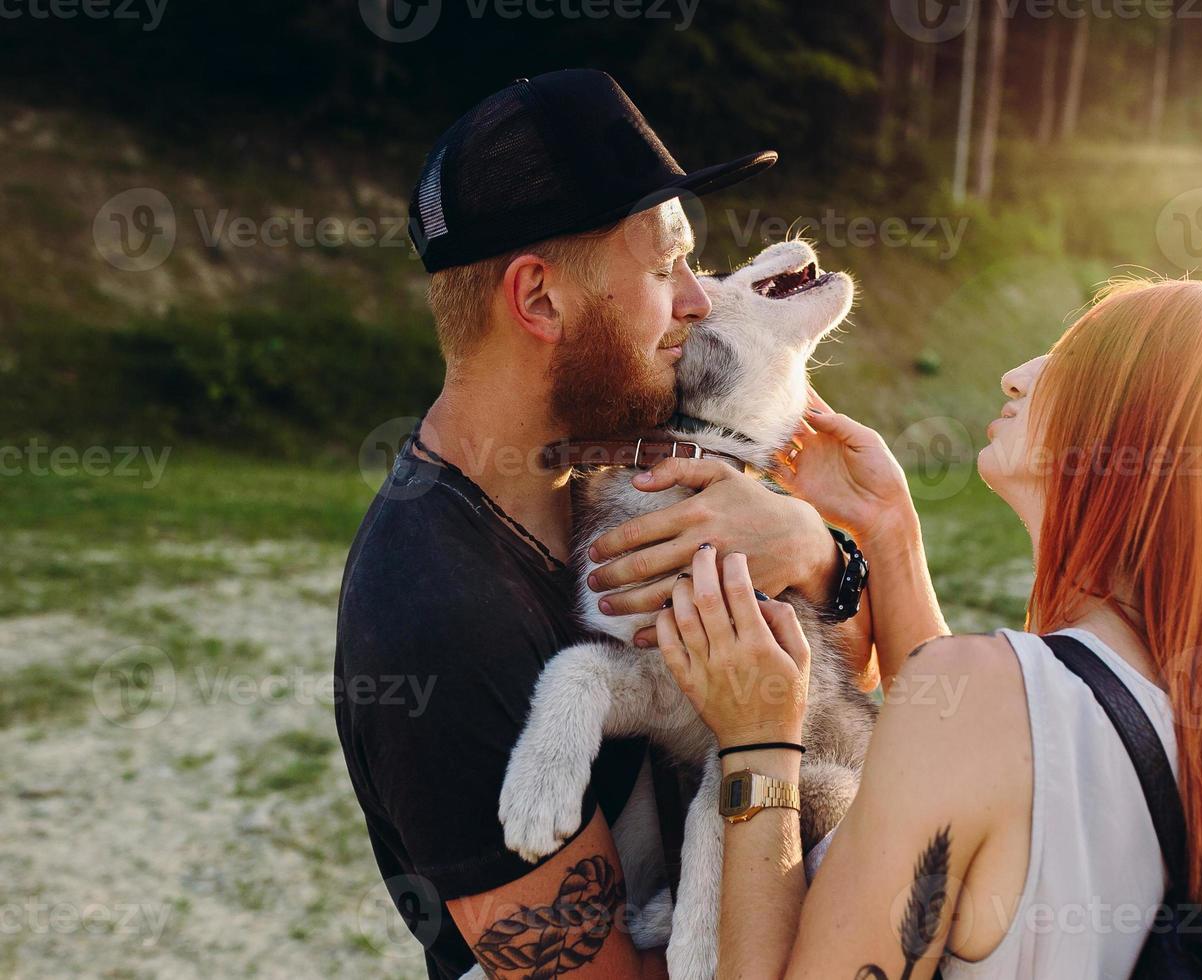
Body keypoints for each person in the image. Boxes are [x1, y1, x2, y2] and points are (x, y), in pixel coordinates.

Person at [654, 279, 1202, 979]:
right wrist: (888, 534)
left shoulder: (991, 702)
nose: (1016, 374)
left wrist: (758, 743)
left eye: (1072, 363)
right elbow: (979, 767)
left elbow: (970, 739)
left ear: (1146, 437)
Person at [334, 70, 874, 980]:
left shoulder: (608, 485)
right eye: (666, 270)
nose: (698, 302)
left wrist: (818, 555)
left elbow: (831, 693)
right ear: (539, 301)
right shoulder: (432, 612)